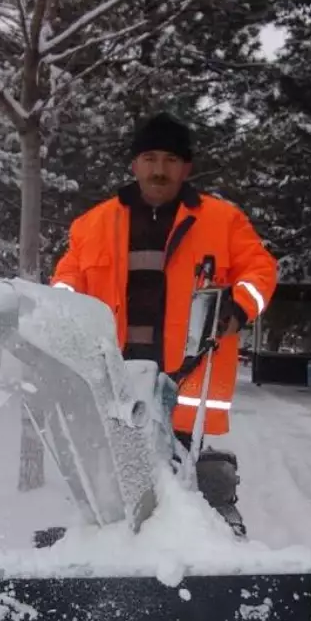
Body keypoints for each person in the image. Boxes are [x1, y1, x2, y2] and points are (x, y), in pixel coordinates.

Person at [49, 111, 278, 534]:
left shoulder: (223, 222)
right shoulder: (92, 225)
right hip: (113, 377)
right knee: (116, 484)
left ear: (186, 167)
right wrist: (60, 314)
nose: (159, 169)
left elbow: (260, 272)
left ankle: (182, 558)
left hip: (187, 379)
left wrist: (240, 306)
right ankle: (115, 552)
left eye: (170, 160)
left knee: (179, 484)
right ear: (134, 164)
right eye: (150, 158)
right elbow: (66, 281)